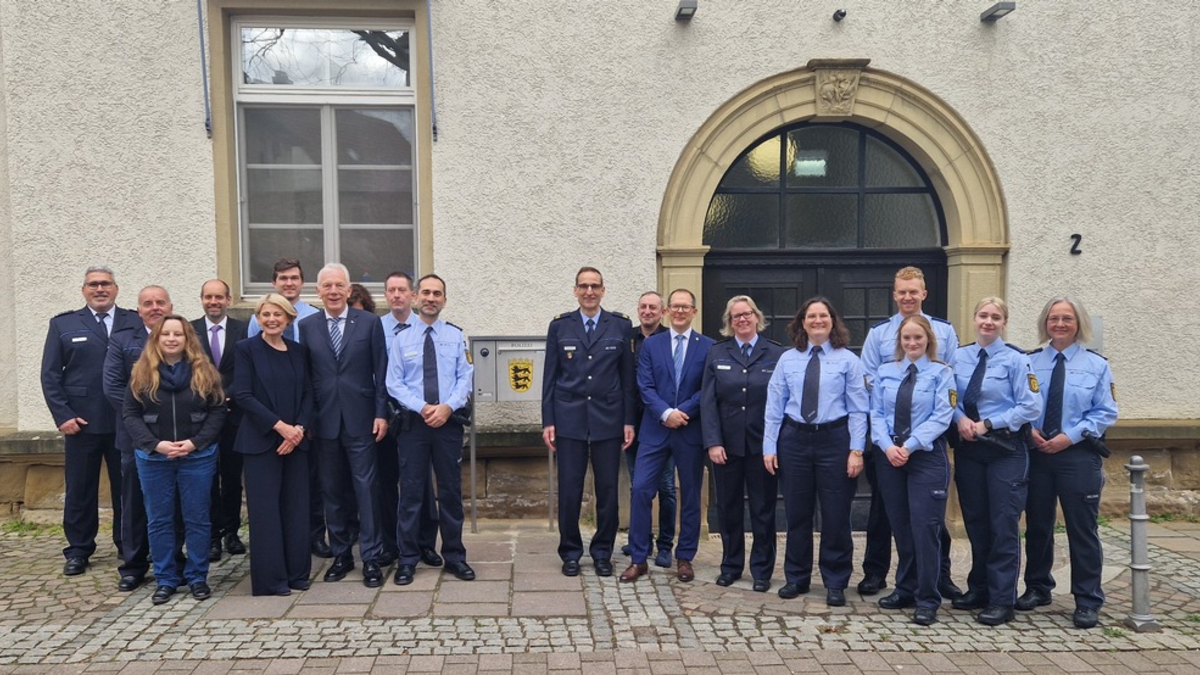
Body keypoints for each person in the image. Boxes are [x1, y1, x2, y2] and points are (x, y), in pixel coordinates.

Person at [858, 266, 961, 600]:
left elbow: (951, 387)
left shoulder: (945, 333)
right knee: (888, 513)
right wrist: (888, 442)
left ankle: (937, 579)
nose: (907, 297)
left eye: (913, 291)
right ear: (894, 294)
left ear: (923, 293)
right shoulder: (879, 335)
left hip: (927, 444)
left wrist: (916, 439)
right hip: (889, 443)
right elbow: (870, 384)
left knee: (928, 520)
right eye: (901, 292)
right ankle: (885, 576)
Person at [1018, 296, 1118, 629]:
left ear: (1079, 324)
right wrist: (1030, 431)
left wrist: (1069, 436)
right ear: (1045, 323)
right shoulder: (1030, 362)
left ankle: (1088, 599)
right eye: (1053, 318)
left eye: (1067, 319)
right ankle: (1037, 587)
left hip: (1077, 454)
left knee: (1082, 530)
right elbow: (1021, 400)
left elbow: (1105, 412)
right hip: (1038, 451)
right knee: (1038, 526)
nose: (1059, 324)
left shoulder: (1097, 365)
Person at [761, 297, 867, 604]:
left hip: (835, 440)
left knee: (835, 515)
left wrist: (856, 450)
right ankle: (797, 577)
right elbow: (774, 406)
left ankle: (835, 580)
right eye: (811, 316)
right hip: (794, 440)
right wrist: (770, 446)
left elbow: (859, 409)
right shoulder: (787, 359)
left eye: (823, 316)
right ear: (802, 322)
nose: (817, 320)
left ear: (833, 321)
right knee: (797, 514)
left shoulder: (848, 360)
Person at [41, 266, 139, 577]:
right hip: (81, 422)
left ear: (116, 288)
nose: (100, 289)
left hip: (126, 421)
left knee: (128, 489)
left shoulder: (134, 321)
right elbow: (51, 375)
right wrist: (63, 416)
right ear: (84, 290)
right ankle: (79, 549)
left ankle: (129, 544)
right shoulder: (64, 324)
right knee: (81, 489)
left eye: (106, 284)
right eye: (93, 284)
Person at [950, 297, 1042, 626]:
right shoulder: (959, 357)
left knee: (1003, 524)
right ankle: (979, 588)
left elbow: (1030, 406)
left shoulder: (1017, 360)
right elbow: (950, 396)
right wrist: (960, 418)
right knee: (976, 522)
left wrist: (989, 423)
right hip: (970, 449)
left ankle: (1003, 599)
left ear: (1004, 322)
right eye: (983, 316)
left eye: (996, 317)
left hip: (1005, 450)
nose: (988, 322)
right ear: (974, 319)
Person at [122, 315, 226, 605]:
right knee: (159, 520)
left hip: (198, 457)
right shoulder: (141, 373)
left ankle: (197, 577)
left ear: (187, 339)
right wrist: (156, 445)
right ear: (156, 339)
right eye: (165, 334)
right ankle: (166, 579)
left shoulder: (205, 371)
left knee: (197, 519)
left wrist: (195, 442)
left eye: (177, 334)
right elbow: (130, 414)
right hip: (154, 458)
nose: (171, 339)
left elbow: (218, 411)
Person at [298, 263, 390, 588]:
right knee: (332, 491)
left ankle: (372, 558)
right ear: (318, 291)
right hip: (323, 423)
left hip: (362, 419)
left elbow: (382, 372)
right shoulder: (307, 326)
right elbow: (306, 379)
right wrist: (305, 419)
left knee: (366, 490)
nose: (334, 291)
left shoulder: (369, 323)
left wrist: (381, 414)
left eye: (339, 286)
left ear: (349, 291)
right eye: (327, 286)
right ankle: (341, 555)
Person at [542, 267, 635, 578]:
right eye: (584, 286)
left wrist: (628, 421)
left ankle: (602, 552)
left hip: (608, 421)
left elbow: (627, 379)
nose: (589, 291)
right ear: (575, 290)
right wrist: (548, 420)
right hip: (569, 420)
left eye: (595, 286)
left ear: (603, 290)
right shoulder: (560, 326)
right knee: (569, 490)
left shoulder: (619, 326)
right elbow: (550, 379)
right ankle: (570, 552)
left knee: (607, 491)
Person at [386, 274, 476, 586]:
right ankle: (407, 559)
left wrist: (447, 407)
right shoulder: (402, 339)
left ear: (444, 300)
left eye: (437, 293)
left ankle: (455, 557)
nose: (431, 298)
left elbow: (465, 377)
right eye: (426, 292)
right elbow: (393, 382)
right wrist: (422, 407)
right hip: (414, 425)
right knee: (411, 493)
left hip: (447, 424)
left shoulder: (455, 336)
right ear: (415, 297)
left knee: (450, 493)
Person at [621, 289, 713, 583]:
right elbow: (644, 386)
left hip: (689, 430)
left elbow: (707, 389)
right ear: (667, 311)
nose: (680, 311)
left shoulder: (708, 346)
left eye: (686, 307)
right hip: (654, 430)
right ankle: (638, 558)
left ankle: (684, 557)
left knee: (689, 495)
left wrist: (681, 412)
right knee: (641, 490)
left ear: (694, 312)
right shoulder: (652, 345)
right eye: (675, 306)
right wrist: (665, 413)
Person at [869, 315, 955, 626]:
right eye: (907, 338)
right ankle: (905, 588)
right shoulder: (885, 372)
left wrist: (911, 444)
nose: (912, 343)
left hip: (925, 457)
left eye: (918, 338)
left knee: (925, 529)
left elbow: (943, 415)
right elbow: (875, 412)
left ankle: (927, 598)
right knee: (902, 528)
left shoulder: (942, 373)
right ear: (899, 341)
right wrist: (887, 446)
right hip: (891, 456)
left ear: (929, 340)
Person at [701, 295, 785, 593]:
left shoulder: (775, 353)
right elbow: (708, 403)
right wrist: (713, 442)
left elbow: (781, 403)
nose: (742, 319)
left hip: (763, 448)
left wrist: (773, 445)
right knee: (729, 510)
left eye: (747, 314)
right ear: (729, 322)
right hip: (727, 448)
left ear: (756, 317)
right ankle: (731, 566)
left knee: (763, 510)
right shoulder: (716, 353)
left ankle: (762, 570)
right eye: (736, 316)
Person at [247, 257, 330, 559]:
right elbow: (254, 372)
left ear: (302, 283)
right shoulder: (260, 317)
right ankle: (281, 539)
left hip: (306, 414)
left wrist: (302, 423)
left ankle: (315, 535)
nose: (289, 283)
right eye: (283, 278)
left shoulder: (314, 317)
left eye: (294, 278)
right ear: (274, 283)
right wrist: (278, 425)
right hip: (271, 421)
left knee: (311, 481)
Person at [232, 294, 314, 596]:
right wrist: (280, 428)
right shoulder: (246, 350)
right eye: (265, 314)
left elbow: (308, 393)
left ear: (289, 318)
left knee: (296, 510)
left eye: (278, 314)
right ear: (258, 318)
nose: (271, 319)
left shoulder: (298, 351)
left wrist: (299, 431)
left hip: (296, 443)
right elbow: (243, 395)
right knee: (266, 512)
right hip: (261, 442)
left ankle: (296, 574)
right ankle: (271, 580)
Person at [103, 285, 174, 592]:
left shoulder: (182, 339)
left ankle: (172, 561)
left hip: (175, 436)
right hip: (135, 437)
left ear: (170, 306)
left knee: (174, 503)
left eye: (160, 302)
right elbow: (113, 387)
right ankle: (133, 565)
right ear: (138, 309)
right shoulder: (122, 340)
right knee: (134, 502)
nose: (154, 307)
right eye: (148, 303)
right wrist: (149, 418)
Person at [380, 271, 442, 570]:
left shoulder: (430, 329)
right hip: (385, 415)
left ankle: (425, 544)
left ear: (411, 295)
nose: (396, 295)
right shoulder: (375, 327)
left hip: (418, 418)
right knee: (389, 481)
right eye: (391, 290)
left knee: (421, 484)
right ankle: (392, 545)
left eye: (402, 290)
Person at [191, 279, 248, 562]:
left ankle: (232, 532)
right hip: (200, 416)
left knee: (232, 476)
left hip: (235, 414)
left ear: (228, 299)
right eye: (208, 297)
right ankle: (212, 536)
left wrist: (229, 394)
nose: (214, 302)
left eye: (219, 297)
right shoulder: (189, 330)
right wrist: (208, 397)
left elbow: (247, 368)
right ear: (201, 299)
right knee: (207, 478)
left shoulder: (243, 328)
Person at [621, 291, 676, 567]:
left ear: (662, 311)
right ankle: (638, 540)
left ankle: (665, 545)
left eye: (653, 307)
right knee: (638, 486)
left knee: (666, 486)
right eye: (643, 306)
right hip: (632, 423)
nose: (647, 311)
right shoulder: (627, 339)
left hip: (662, 423)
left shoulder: (670, 340)